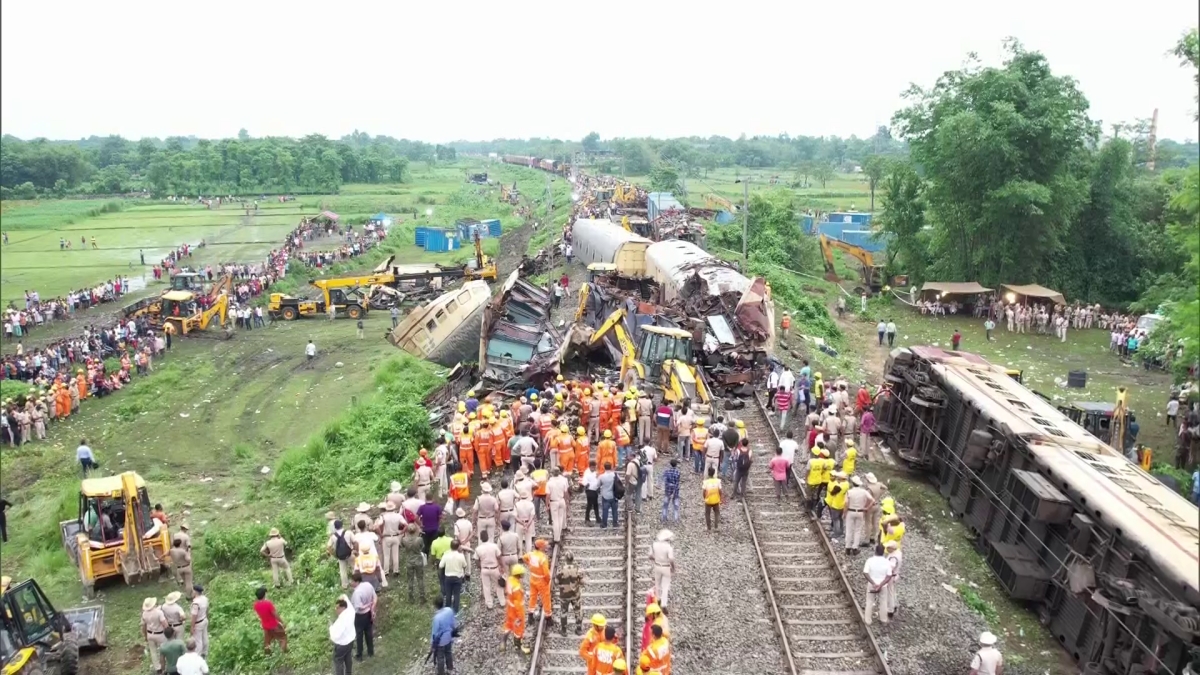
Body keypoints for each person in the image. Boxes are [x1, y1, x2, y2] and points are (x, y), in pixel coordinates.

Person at [555, 550, 585, 635]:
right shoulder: (577, 569)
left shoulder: (561, 570)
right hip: (575, 595)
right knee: (578, 611)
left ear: (565, 559)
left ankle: (564, 630)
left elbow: (556, 582)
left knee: (564, 612)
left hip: (564, 595)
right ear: (573, 559)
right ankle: (579, 629)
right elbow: (582, 582)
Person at [862, 543, 892, 625]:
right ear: (883, 552)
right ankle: (883, 619)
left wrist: (873, 583)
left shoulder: (870, 560)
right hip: (883, 586)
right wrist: (880, 585)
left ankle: (868, 620)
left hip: (872, 585)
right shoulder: (887, 562)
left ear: (875, 551)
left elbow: (865, 572)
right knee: (883, 602)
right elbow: (889, 576)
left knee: (869, 601)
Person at [350, 571, 376, 661]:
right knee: (369, 633)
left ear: (356, 581)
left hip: (360, 616)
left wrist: (366, 605)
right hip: (368, 614)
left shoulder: (357, 592)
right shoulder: (368, 585)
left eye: (352, 581)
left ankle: (359, 655)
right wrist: (372, 608)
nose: (351, 582)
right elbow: (374, 596)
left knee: (359, 635)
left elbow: (358, 607)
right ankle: (370, 652)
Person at [253, 586, 287, 654]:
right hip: (274, 625)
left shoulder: (255, 605)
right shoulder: (268, 603)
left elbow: (258, 615)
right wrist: (282, 622)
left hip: (265, 626)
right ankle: (282, 654)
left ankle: (268, 655)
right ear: (264, 594)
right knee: (283, 638)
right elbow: (275, 614)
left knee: (267, 642)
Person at [504, 564, 530, 654]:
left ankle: (503, 642)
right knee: (519, 628)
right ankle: (518, 646)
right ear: (519, 575)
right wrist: (519, 616)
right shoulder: (517, 587)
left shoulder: (510, 579)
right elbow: (517, 603)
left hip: (510, 608)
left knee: (509, 624)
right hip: (517, 610)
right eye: (522, 574)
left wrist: (523, 592)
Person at [328, 595, 356, 675]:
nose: (335, 609)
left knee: (338, 661)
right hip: (350, 640)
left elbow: (335, 636)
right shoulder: (350, 611)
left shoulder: (341, 621)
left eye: (337, 608)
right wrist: (343, 597)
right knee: (348, 657)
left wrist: (330, 627)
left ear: (342, 608)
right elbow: (346, 598)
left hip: (342, 645)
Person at [142, 597, 169, 673]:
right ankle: (164, 666)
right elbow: (165, 624)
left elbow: (144, 625)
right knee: (163, 650)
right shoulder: (159, 612)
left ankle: (158, 668)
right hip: (160, 634)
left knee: (153, 651)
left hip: (150, 633)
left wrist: (145, 636)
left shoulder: (144, 613)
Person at [648, 529, 675, 608]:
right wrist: (673, 567)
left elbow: (650, 556)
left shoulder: (654, 544)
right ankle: (664, 604)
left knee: (657, 584)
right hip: (666, 567)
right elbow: (671, 559)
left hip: (657, 566)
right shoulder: (669, 547)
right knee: (665, 586)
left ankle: (658, 600)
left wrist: (656, 559)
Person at [440, 540, 468, 613]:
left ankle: (447, 610)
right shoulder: (461, 556)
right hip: (457, 577)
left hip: (448, 577)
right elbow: (465, 565)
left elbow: (441, 565)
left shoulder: (446, 555)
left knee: (448, 594)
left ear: (450, 546)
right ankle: (455, 610)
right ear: (458, 547)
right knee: (456, 594)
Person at [431, 597, 457, 675]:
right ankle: (450, 668)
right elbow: (453, 623)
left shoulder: (436, 618)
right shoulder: (449, 610)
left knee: (440, 657)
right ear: (443, 603)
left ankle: (441, 673)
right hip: (449, 637)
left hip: (441, 641)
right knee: (448, 652)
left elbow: (435, 633)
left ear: (435, 606)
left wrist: (432, 644)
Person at [189, 585, 209, 658]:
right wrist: (207, 617)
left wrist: (192, 627)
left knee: (198, 640)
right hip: (204, 619)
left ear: (195, 592)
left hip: (198, 623)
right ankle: (205, 652)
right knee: (205, 637)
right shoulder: (205, 599)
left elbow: (194, 616)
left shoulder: (196, 603)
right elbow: (207, 609)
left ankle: (198, 655)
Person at [702, 466, 723, 531]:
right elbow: (720, 491)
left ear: (708, 473)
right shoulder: (718, 481)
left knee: (707, 514)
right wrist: (720, 498)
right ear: (714, 473)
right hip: (716, 500)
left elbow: (704, 492)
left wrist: (705, 498)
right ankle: (716, 527)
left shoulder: (705, 482)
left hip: (708, 501)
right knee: (716, 513)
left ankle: (709, 528)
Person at [660, 459, 681, 523]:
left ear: (670, 464)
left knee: (665, 505)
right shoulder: (677, 472)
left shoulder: (667, 471)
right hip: (675, 492)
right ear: (676, 465)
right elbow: (677, 483)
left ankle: (664, 518)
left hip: (668, 490)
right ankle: (676, 519)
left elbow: (663, 479)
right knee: (676, 506)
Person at [598, 462, 619, 529]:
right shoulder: (615, 475)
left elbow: (598, 485)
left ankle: (604, 524)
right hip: (614, 495)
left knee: (605, 510)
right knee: (614, 510)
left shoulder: (601, 476)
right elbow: (619, 483)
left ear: (604, 467)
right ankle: (615, 523)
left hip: (605, 495)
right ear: (611, 467)